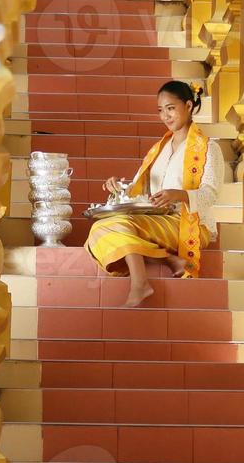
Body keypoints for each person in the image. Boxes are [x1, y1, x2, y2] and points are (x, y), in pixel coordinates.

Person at [85, 80, 225, 307]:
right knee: (99, 229)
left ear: (188, 106)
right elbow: (138, 189)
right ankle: (170, 260)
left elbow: (210, 194)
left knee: (114, 226)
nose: (165, 116)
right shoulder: (158, 149)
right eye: (160, 110)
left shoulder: (210, 148)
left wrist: (179, 195)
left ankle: (140, 283)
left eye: (171, 108)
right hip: (158, 219)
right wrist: (118, 187)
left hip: (190, 223)